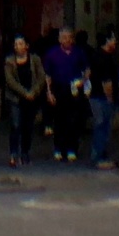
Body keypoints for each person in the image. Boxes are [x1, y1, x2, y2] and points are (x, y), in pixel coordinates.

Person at [44, 25, 91, 161]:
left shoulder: (79, 52)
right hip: (58, 88)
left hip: (74, 89)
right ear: (59, 39)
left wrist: (83, 81)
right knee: (59, 120)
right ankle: (58, 149)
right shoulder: (52, 53)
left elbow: (87, 69)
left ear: (73, 39)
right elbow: (47, 75)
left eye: (69, 38)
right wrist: (49, 92)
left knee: (74, 120)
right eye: (63, 37)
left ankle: (72, 149)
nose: (66, 40)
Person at [2, 33, 44, 168]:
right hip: (15, 98)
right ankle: (13, 154)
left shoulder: (35, 60)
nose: (17, 47)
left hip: (31, 98)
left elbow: (41, 77)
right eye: (15, 44)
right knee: (15, 125)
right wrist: (24, 93)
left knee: (28, 126)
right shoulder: (9, 61)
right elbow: (10, 81)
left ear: (27, 46)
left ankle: (25, 152)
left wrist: (34, 92)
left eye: (20, 44)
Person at [88, 29, 119, 167]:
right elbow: (106, 82)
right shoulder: (105, 58)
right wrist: (110, 98)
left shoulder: (95, 55)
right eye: (113, 39)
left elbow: (88, 72)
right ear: (107, 41)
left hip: (95, 96)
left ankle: (99, 155)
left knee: (100, 126)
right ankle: (98, 158)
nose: (115, 42)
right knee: (103, 127)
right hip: (102, 98)